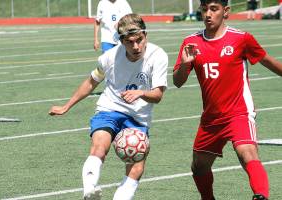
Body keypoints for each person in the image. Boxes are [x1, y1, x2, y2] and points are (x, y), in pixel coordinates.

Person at [49, 13, 168, 200]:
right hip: (109, 108)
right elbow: (91, 82)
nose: (136, 46)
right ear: (121, 41)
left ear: (146, 36)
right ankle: (89, 190)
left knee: (137, 167)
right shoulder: (109, 57)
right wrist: (66, 106)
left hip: (138, 117)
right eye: (130, 42)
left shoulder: (158, 55)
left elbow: (158, 95)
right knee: (99, 147)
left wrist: (141, 93)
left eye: (140, 40)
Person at [173, 0, 282, 200]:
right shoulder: (191, 42)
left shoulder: (242, 39)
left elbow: (267, 61)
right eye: (204, 9)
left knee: (247, 152)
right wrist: (184, 65)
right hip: (211, 118)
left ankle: (261, 196)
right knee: (199, 166)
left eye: (214, 9)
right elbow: (178, 82)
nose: (208, 14)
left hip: (238, 111)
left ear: (226, 12)